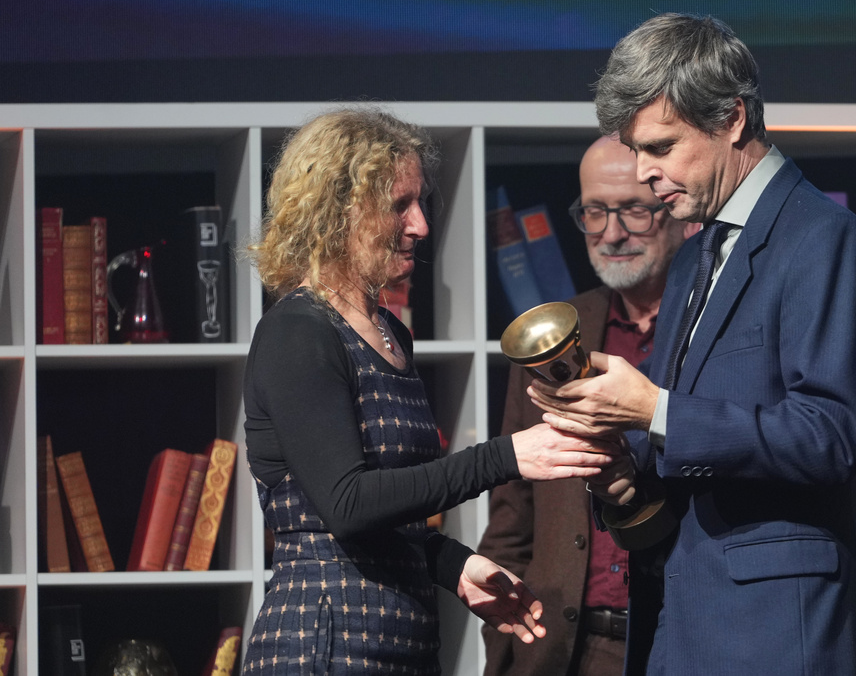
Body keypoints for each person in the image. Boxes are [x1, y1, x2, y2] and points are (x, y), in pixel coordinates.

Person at [527, 13, 856, 676]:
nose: (644, 174)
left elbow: (830, 436)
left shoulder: (822, 239)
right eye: (636, 151)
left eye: (661, 148)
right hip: (682, 626)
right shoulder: (696, 257)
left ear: (731, 118)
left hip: (781, 634)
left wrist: (654, 410)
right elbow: (685, 464)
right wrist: (618, 467)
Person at [240, 107, 620, 675]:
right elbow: (346, 505)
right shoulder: (299, 331)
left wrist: (453, 566)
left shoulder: (390, 332)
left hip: (400, 637)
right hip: (324, 641)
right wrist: (509, 454)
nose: (420, 224)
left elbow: (386, 516)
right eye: (400, 205)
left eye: (421, 203)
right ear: (339, 208)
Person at [477, 135, 697, 676]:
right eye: (595, 211)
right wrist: (504, 649)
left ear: (674, 209)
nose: (611, 233)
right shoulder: (549, 332)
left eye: (633, 212)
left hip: (682, 640)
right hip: (563, 650)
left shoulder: (712, 326)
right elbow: (512, 512)